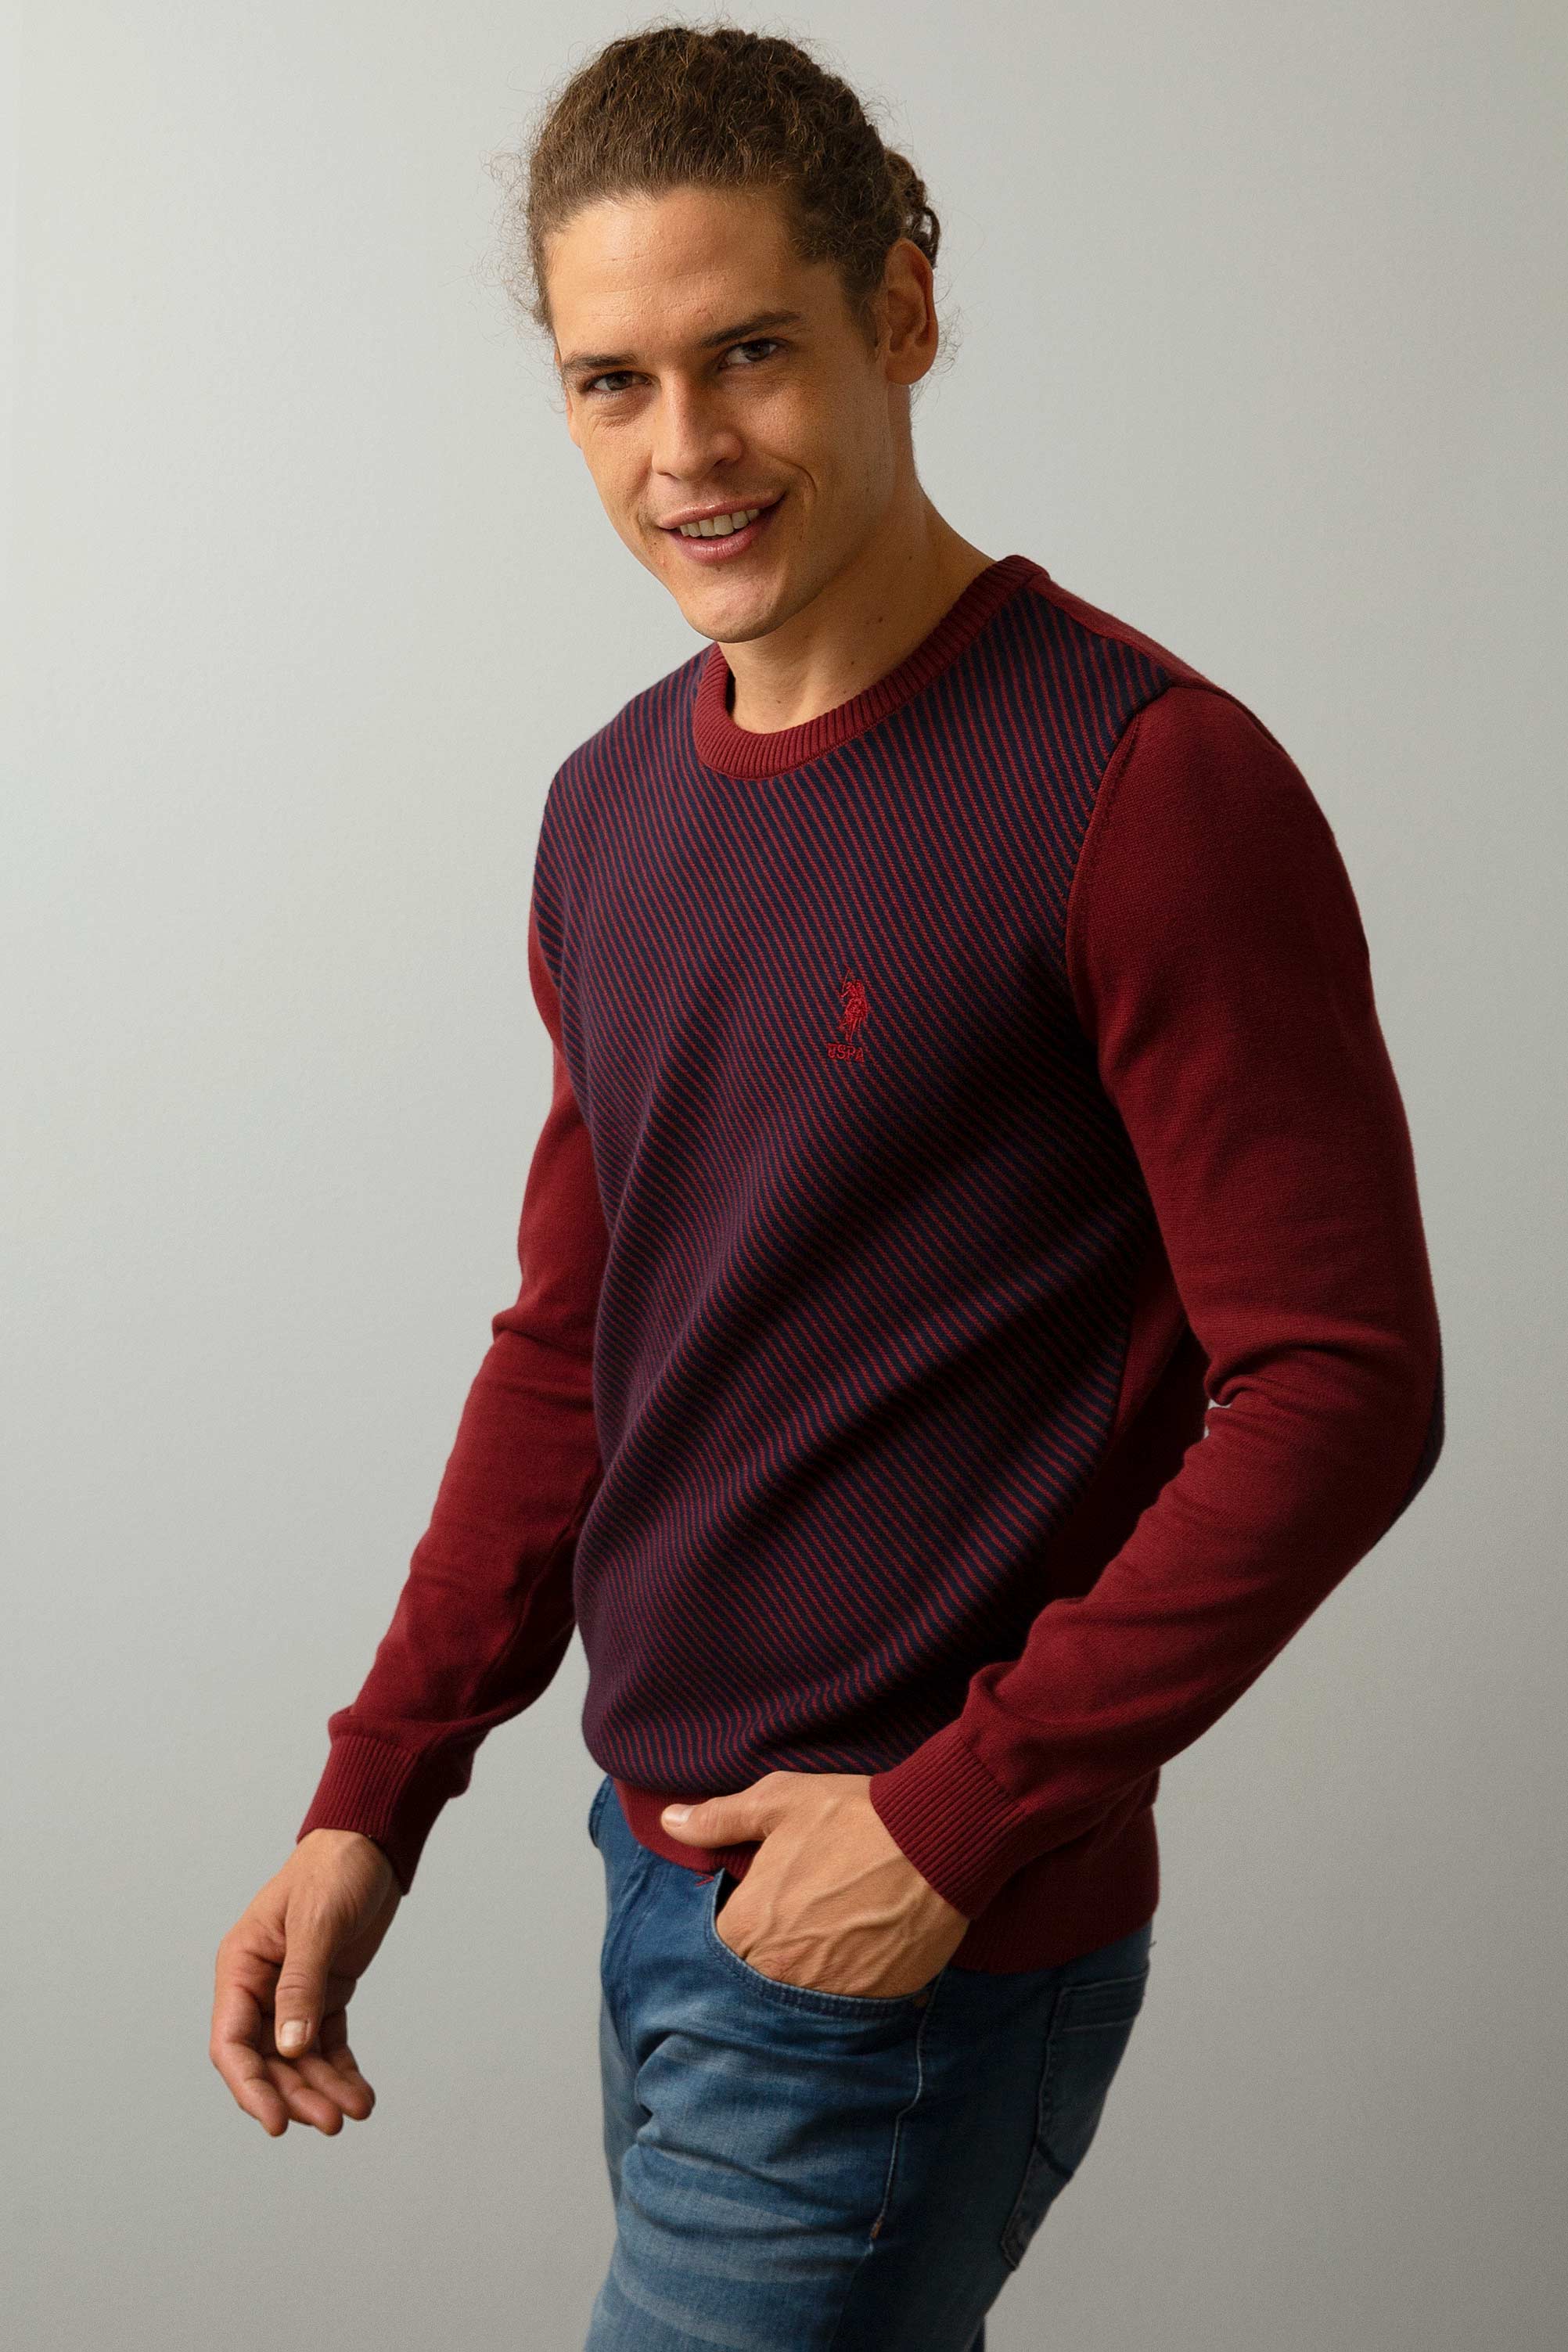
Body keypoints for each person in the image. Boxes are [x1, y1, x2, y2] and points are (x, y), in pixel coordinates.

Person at [210, 23, 1445, 2349]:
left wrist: (954, 1821)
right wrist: (376, 1790)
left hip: (905, 1943)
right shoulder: (608, 807)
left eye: (749, 353)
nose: (681, 449)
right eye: (611, 381)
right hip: (659, 1882)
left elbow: (1341, 1383)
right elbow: (579, 1348)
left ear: (901, 312)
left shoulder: (1142, 785)